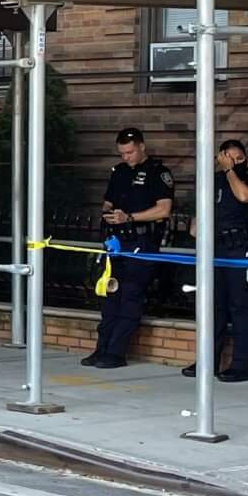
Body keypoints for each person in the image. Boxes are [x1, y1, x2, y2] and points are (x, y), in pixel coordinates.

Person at [82, 125, 174, 370]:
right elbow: (107, 203)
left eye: (130, 152)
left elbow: (164, 209)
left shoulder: (158, 172)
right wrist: (109, 216)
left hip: (141, 243)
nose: (126, 157)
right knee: (111, 296)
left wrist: (130, 217)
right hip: (117, 243)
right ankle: (102, 348)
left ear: (142, 146)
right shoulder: (119, 172)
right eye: (122, 153)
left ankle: (116, 352)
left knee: (130, 297)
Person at [184, 137, 248, 382]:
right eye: (229, 158)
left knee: (241, 307)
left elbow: (244, 196)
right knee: (213, 307)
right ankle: (208, 361)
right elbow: (196, 224)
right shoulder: (212, 181)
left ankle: (241, 366)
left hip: (242, 250)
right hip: (215, 250)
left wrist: (231, 170)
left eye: (239, 158)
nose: (235, 162)